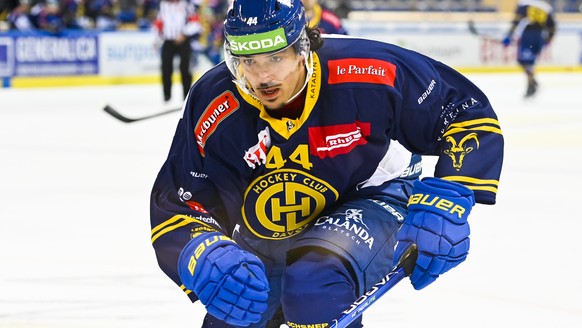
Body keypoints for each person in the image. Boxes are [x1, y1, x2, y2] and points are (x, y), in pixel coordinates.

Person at [149, 0, 504, 327]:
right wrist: (200, 250)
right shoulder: (214, 100)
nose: (262, 78)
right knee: (237, 307)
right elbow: (182, 197)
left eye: (275, 58)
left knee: (314, 286)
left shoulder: (369, 69)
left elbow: (462, 113)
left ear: (303, 48)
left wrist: (452, 192)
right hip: (274, 219)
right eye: (248, 61)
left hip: (372, 195)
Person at [502, 0, 556, 98]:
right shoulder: (546, 7)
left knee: (525, 62)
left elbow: (517, 20)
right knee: (526, 62)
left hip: (528, 35)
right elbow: (552, 26)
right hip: (539, 36)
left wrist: (509, 35)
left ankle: (531, 85)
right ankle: (532, 82)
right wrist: (548, 39)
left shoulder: (524, 3)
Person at [152, 0, 201, 102]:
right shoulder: (163, 5)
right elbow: (158, 24)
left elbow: (195, 23)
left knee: (185, 68)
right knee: (166, 67)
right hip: (168, 40)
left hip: (184, 40)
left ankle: (186, 95)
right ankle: (167, 95)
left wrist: (184, 33)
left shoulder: (186, 5)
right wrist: (156, 40)